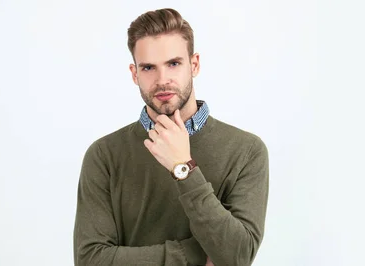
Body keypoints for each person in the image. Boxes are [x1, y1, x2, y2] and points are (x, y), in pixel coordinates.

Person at [73, 8, 269, 266]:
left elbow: (237, 256)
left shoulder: (246, 151)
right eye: (148, 68)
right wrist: (196, 255)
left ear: (194, 64)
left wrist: (183, 167)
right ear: (135, 74)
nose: (162, 80)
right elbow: (90, 260)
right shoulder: (104, 155)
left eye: (174, 63)